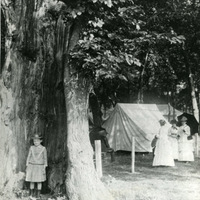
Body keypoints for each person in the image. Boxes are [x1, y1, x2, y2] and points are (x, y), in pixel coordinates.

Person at [26, 134, 48, 199]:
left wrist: (44, 166)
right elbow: (28, 156)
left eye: (37, 141)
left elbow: (45, 158)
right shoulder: (31, 148)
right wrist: (27, 164)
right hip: (32, 166)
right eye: (34, 141)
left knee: (39, 181)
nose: (35, 142)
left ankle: (38, 195)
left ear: (41, 141)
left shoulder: (43, 148)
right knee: (31, 181)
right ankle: (31, 194)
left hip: (39, 167)